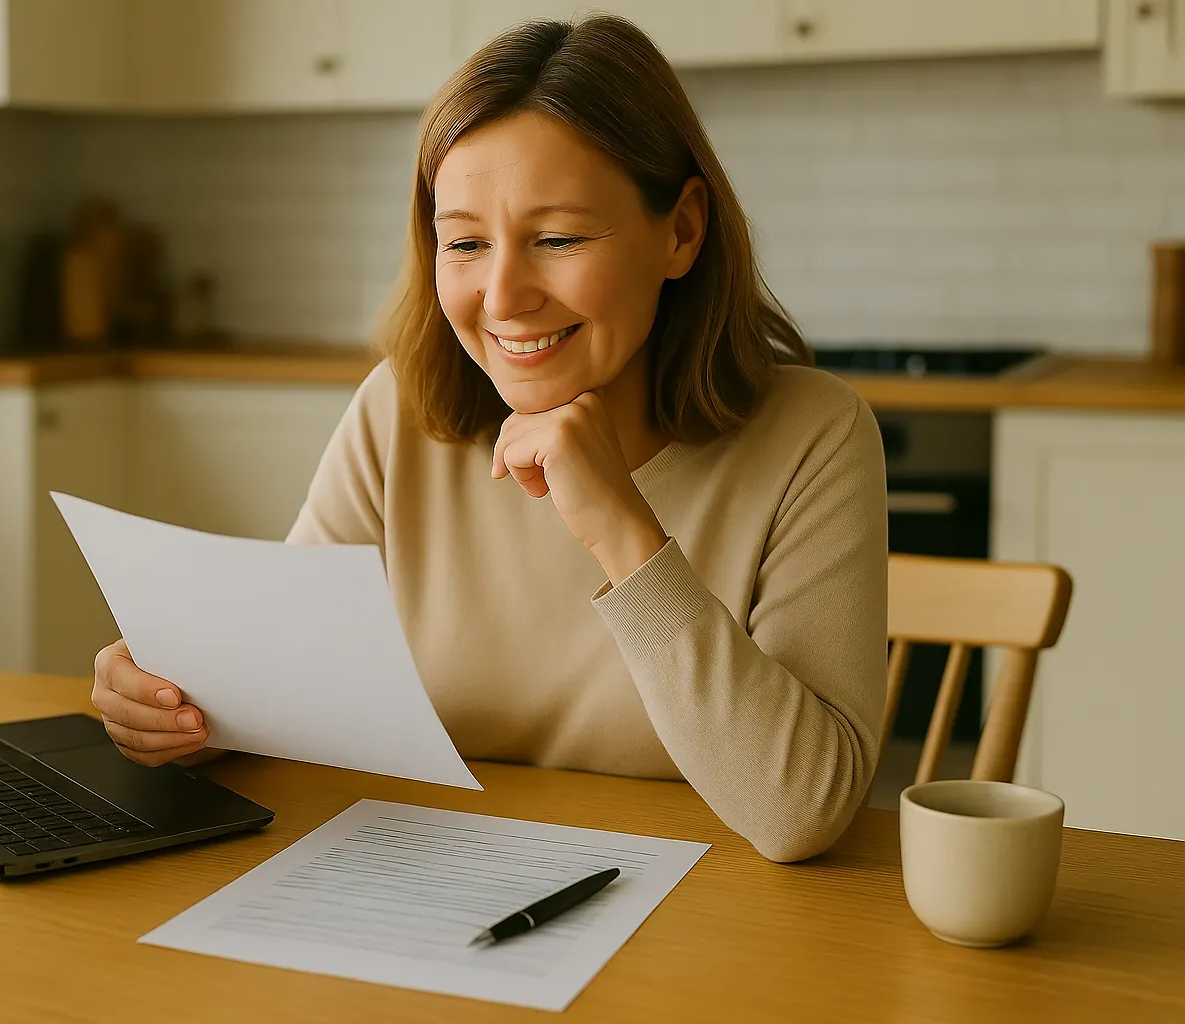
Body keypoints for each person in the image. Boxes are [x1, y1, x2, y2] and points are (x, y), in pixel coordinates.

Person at [89, 15, 886, 863]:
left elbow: (803, 813)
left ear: (681, 231)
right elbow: (287, 694)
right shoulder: (399, 411)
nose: (502, 296)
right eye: (465, 242)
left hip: (707, 932)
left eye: (558, 238)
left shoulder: (815, 436)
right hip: (434, 901)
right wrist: (174, 708)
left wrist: (624, 530)